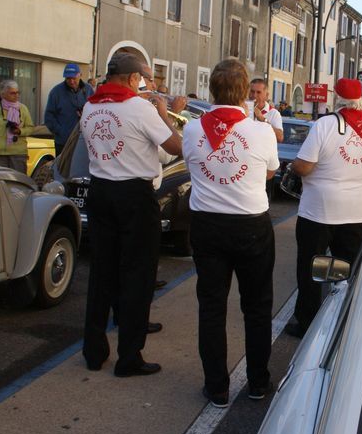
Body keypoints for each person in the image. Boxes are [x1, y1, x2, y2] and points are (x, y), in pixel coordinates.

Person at [183, 59, 279, 408]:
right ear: (244, 93)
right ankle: (258, 381)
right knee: (256, 306)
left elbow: (193, 164)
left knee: (211, 307)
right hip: (250, 223)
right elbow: (271, 172)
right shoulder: (261, 130)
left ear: (212, 89)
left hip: (207, 224)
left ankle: (217, 386)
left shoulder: (193, 129)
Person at [80, 52, 183, 377]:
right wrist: (166, 114)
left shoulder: (90, 105)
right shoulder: (139, 107)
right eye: (140, 78)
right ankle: (129, 356)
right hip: (134, 195)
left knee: (102, 272)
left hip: (101, 190)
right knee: (138, 273)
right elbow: (177, 147)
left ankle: (94, 351)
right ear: (131, 78)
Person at [288, 78, 362, 337]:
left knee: (310, 268)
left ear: (337, 98)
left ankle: (306, 322)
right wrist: (359, 181)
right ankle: (343, 322)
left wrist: (293, 168)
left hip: (318, 211)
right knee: (345, 269)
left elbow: (304, 165)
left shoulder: (325, 125)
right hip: (354, 212)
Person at [0, 79, 34, 173]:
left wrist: (20, 131)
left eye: (18, 92)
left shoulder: (23, 108)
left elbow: (30, 128)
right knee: (0, 182)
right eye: (12, 93)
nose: (16, 95)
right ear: (2, 94)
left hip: (18, 153)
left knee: (18, 182)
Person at [44, 63, 95, 154]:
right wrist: (61, 132)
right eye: (68, 78)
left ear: (80, 75)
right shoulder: (56, 92)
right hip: (63, 143)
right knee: (63, 168)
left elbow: (96, 110)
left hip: (84, 141)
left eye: (74, 78)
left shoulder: (88, 90)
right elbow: (48, 117)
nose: (71, 81)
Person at [249, 78, 284, 143]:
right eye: (252, 91)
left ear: (266, 96)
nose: (254, 95)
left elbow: (280, 138)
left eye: (258, 92)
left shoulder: (274, 113)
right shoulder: (242, 109)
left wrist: (263, 119)